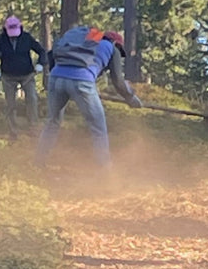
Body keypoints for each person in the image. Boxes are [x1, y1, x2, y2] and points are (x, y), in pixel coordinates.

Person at [36, 26, 141, 167]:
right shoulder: (112, 48)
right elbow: (118, 82)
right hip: (82, 82)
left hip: (56, 79)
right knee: (98, 129)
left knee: (52, 122)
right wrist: (131, 98)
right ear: (116, 43)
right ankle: (105, 173)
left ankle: (38, 164)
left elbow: (52, 56)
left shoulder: (81, 43)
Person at [0, 16, 45, 138]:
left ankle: (33, 127)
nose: (13, 36)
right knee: (10, 104)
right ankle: (13, 131)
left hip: (27, 75)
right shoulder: (1, 40)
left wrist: (40, 64)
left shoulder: (27, 38)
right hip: (8, 77)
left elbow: (41, 51)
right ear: (5, 29)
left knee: (32, 99)